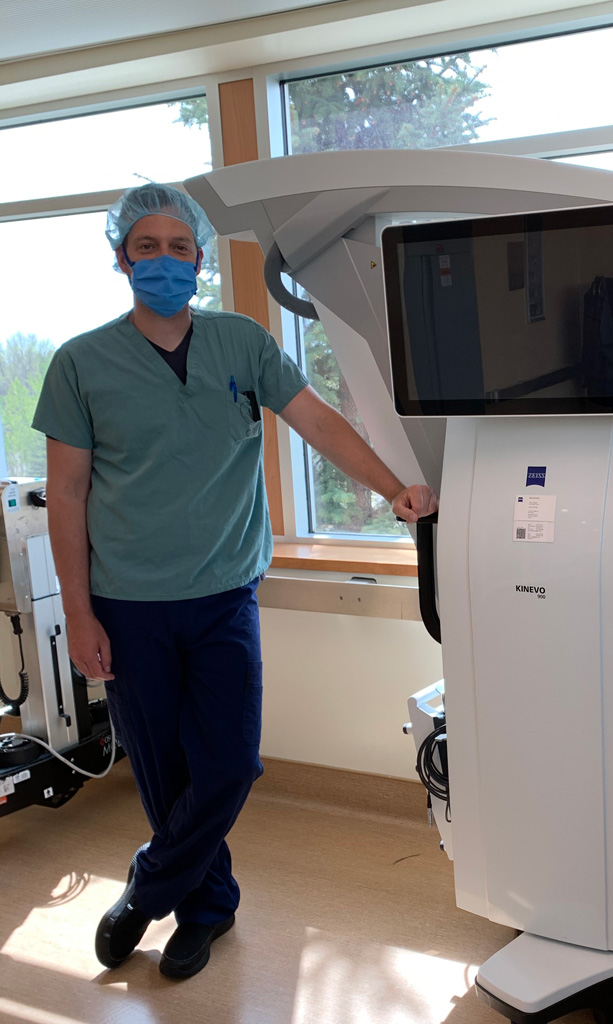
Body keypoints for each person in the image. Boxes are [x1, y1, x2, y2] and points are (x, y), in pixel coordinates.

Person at [32, 182, 437, 979]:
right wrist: (78, 615)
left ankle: (146, 890)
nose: (162, 261)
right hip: (128, 604)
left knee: (226, 764)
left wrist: (394, 487)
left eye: (178, 248)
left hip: (222, 596)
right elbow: (69, 495)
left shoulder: (241, 343)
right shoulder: (81, 363)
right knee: (164, 772)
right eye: (145, 247)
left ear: (199, 259)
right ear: (120, 259)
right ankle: (206, 910)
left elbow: (316, 418)